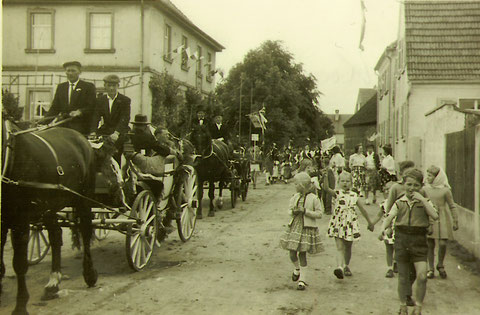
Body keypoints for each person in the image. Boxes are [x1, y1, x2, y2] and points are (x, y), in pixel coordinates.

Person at [380, 169, 438, 315]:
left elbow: (435, 215)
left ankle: (418, 307)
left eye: (416, 185)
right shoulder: (399, 203)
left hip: (419, 240)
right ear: (403, 184)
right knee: (403, 277)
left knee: (422, 276)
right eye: (409, 185)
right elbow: (390, 216)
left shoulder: (425, 202)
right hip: (402, 240)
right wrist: (383, 229)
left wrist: (423, 200)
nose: (412, 188)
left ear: (421, 187)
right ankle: (403, 306)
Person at [325, 171, 374, 279]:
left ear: (351, 183)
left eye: (347, 181)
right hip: (338, 223)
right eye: (342, 181)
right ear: (338, 182)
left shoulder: (354, 195)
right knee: (339, 247)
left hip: (350, 223)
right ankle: (339, 267)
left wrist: (370, 222)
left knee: (348, 247)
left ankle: (346, 265)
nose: (345, 183)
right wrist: (325, 176)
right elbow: (326, 189)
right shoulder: (337, 193)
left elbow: (363, 210)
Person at [279, 172, 324, 290]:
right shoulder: (295, 196)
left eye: (296, 184)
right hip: (295, 226)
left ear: (302, 185)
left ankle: (302, 280)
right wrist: (293, 212)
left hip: (306, 228)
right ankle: (297, 268)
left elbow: (319, 214)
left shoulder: (314, 198)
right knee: (292, 252)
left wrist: (305, 211)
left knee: (302, 253)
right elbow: (289, 210)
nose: (295, 186)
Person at [424, 165, 458, 279]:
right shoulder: (425, 189)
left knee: (443, 243)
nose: (427, 177)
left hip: (443, 217)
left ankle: (440, 264)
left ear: (437, 177)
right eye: (427, 174)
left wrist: (455, 220)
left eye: (430, 175)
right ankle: (430, 268)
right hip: (430, 217)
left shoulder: (445, 190)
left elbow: (452, 206)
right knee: (430, 244)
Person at [46, 61, 96, 135]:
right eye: (68, 71)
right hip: (63, 125)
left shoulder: (88, 87)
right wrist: (43, 121)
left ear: (79, 72)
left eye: (73, 71)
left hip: (81, 126)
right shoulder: (61, 87)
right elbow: (55, 108)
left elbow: (92, 106)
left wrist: (80, 111)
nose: (70, 73)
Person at [93, 74, 131, 163]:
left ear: (118, 86)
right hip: (106, 130)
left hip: (119, 131)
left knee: (114, 153)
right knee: (96, 149)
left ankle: (116, 172)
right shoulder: (100, 100)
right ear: (105, 86)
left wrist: (116, 133)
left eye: (113, 86)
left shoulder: (125, 100)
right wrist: (93, 131)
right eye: (109, 85)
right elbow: (96, 117)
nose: (111, 88)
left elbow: (125, 118)